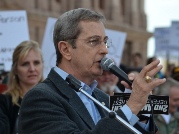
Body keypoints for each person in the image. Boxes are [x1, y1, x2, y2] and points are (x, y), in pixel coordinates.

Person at [18, 8, 166, 134]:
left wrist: (140, 110)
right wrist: (132, 106)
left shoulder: (101, 98)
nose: (104, 50)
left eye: (105, 42)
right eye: (94, 41)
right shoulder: (40, 98)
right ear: (65, 49)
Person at [0, 40, 44, 134]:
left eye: (36, 63)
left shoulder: (56, 98)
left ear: (42, 65)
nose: (32, 69)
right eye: (25, 64)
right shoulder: (4, 103)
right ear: (15, 69)